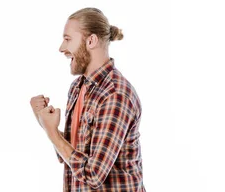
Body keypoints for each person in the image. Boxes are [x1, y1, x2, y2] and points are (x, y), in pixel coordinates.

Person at [30, 7, 145, 191]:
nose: (62, 48)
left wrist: (52, 132)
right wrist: (44, 123)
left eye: (67, 39)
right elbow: (68, 156)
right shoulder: (77, 88)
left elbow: (93, 174)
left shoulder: (115, 95)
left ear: (91, 40)